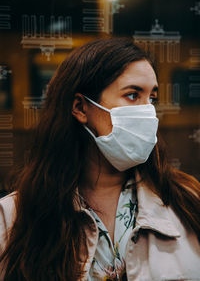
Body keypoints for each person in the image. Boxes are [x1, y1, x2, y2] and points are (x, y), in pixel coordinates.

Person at [0, 37, 200, 281]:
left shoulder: (187, 200)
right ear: (81, 108)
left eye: (152, 99)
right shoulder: (13, 217)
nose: (147, 111)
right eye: (133, 95)